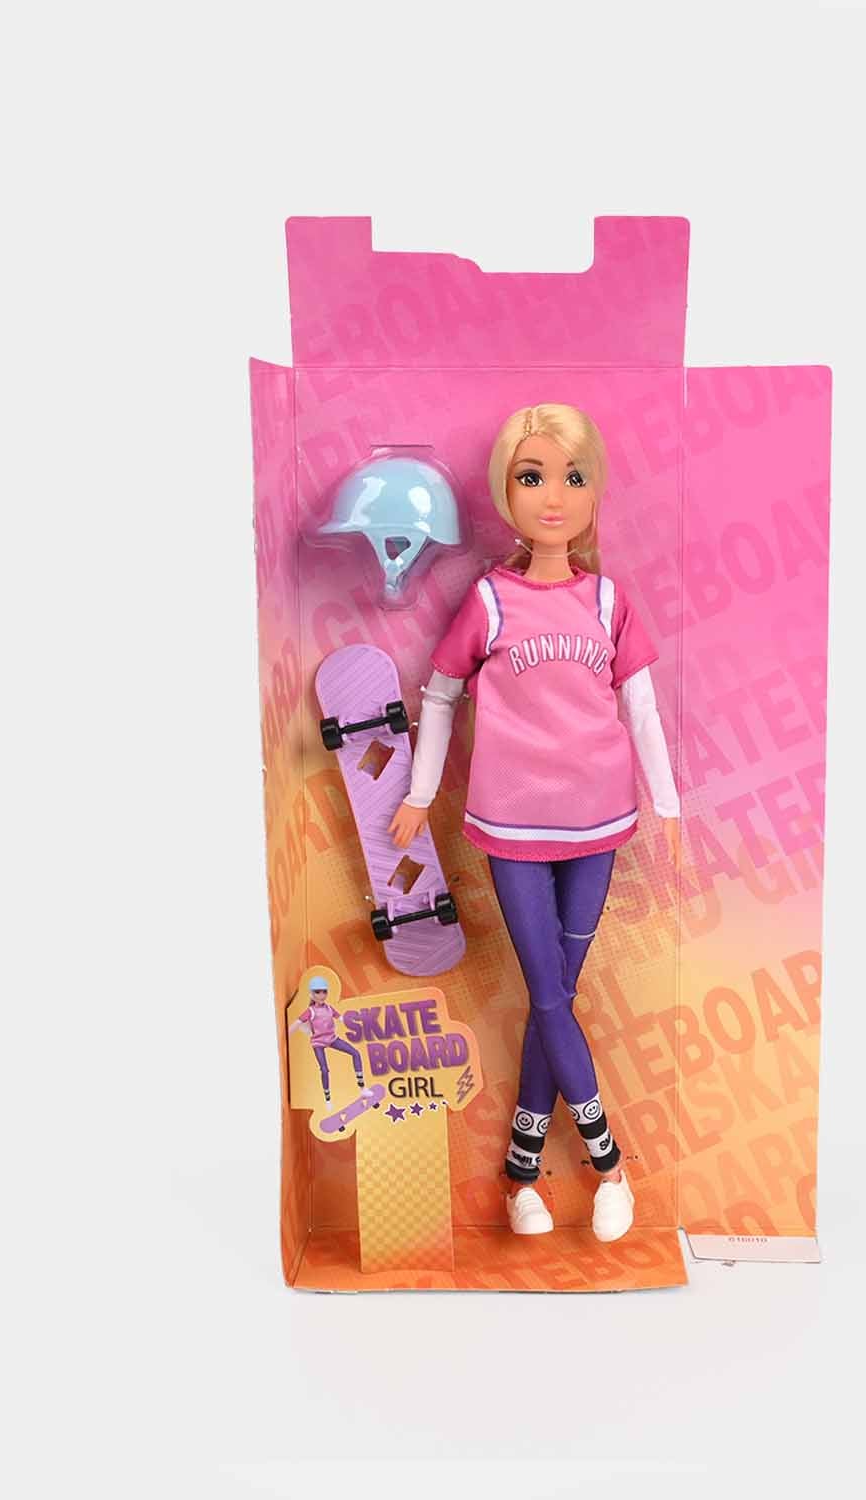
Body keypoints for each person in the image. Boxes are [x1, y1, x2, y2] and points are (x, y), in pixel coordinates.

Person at [387, 404, 680, 1243]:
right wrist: (420, 792)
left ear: (594, 492)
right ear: (506, 491)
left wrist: (667, 805)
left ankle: (521, 1173)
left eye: (572, 477)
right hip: (512, 825)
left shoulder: (609, 601)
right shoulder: (489, 600)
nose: (553, 497)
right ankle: (608, 1163)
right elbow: (441, 694)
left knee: (557, 996)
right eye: (532, 476)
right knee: (549, 991)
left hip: (598, 823)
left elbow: (642, 708)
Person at [288, 975, 365, 1104]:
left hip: (332, 1039)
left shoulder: (329, 1008)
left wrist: (357, 1024)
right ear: (312, 994)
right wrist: (284, 1036)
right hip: (318, 1042)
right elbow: (296, 1023)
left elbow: (342, 1019)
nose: (322, 995)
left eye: (324, 992)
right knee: (324, 1069)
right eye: (318, 992)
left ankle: (362, 1087)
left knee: (355, 1053)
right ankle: (328, 1098)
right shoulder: (310, 1011)